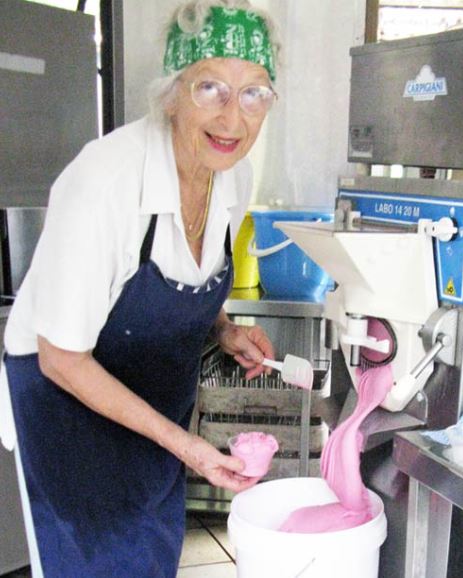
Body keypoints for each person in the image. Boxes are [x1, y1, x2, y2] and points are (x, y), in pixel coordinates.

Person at [0, 1, 280, 576]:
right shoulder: (105, 180)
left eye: (254, 92)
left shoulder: (234, 173)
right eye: (210, 87)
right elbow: (59, 357)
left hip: (153, 414)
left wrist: (223, 328)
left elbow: (192, 271)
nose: (232, 117)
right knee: (95, 560)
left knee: (151, 555)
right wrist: (186, 445)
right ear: (173, 91)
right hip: (67, 411)